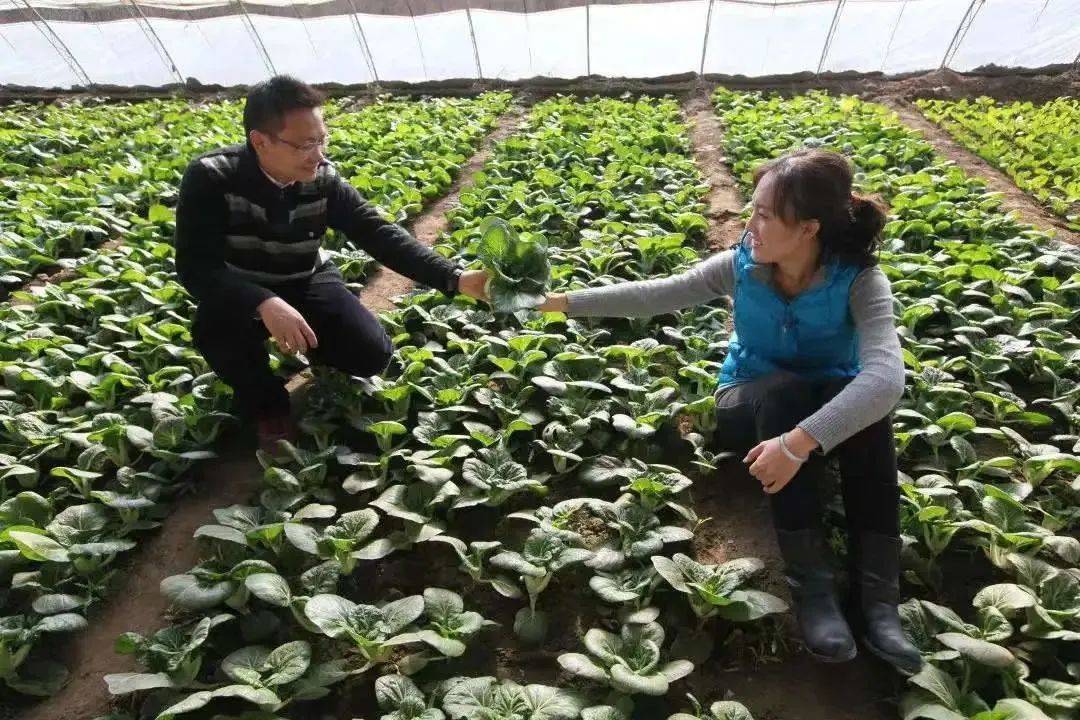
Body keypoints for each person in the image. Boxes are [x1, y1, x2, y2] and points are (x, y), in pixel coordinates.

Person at [536, 148, 922, 674]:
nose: (750, 225)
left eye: (765, 215)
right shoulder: (741, 268)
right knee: (783, 392)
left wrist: (798, 443)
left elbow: (886, 377)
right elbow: (656, 294)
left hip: (809, 418)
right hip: (749, 404)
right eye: (752, 209)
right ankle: (814, 589)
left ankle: (880, 604)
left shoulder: (858, 280)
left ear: (808, 228)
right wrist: (558, 302)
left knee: (872, 412)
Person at [174, 75, 487, 452]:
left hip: (304, 276)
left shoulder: (321, 178)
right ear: (260, 142)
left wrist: (455, 278)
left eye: (322, 139)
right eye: (306, 144)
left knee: (369, 353)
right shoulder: (212, 178)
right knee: (214, 333)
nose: (319, 154)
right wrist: (263, 302)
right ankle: (269, 405)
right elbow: (196, 268)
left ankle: (314, 345)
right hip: (239, 288)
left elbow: (376, 232)